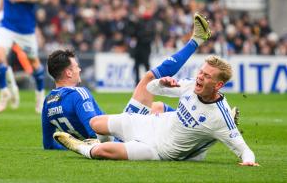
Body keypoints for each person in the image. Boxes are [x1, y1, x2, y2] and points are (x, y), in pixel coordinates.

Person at [53, 19, 259, 167]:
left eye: (206, 76)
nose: (200, 77)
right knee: (95, 123)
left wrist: (249, 161)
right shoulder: (191, 86)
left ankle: (81, 147)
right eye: (200, 72)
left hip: (157, 150)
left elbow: (245, 150)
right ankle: (196, 41)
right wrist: (163, 83)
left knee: (99, 151)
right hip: (152, 124)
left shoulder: (218, 115)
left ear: (218, 85)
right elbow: (152, 87)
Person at [42, 13, 211, 150]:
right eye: (76, 66)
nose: (79, 69)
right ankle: (196, 40)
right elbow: (95, 130)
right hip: (119, 138)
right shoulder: (79, 93)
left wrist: (73, 144)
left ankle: (203, 124)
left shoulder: (48, 102)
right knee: (149, 79)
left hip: (114, 136)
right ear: (68, 72)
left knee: (157, 108)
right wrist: (85, 147)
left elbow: (48, 145)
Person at [0, 0, 48, 113]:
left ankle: (40, 95)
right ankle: (4, 91)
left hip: (26, 31)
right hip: (6, 26)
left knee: (34, 64)